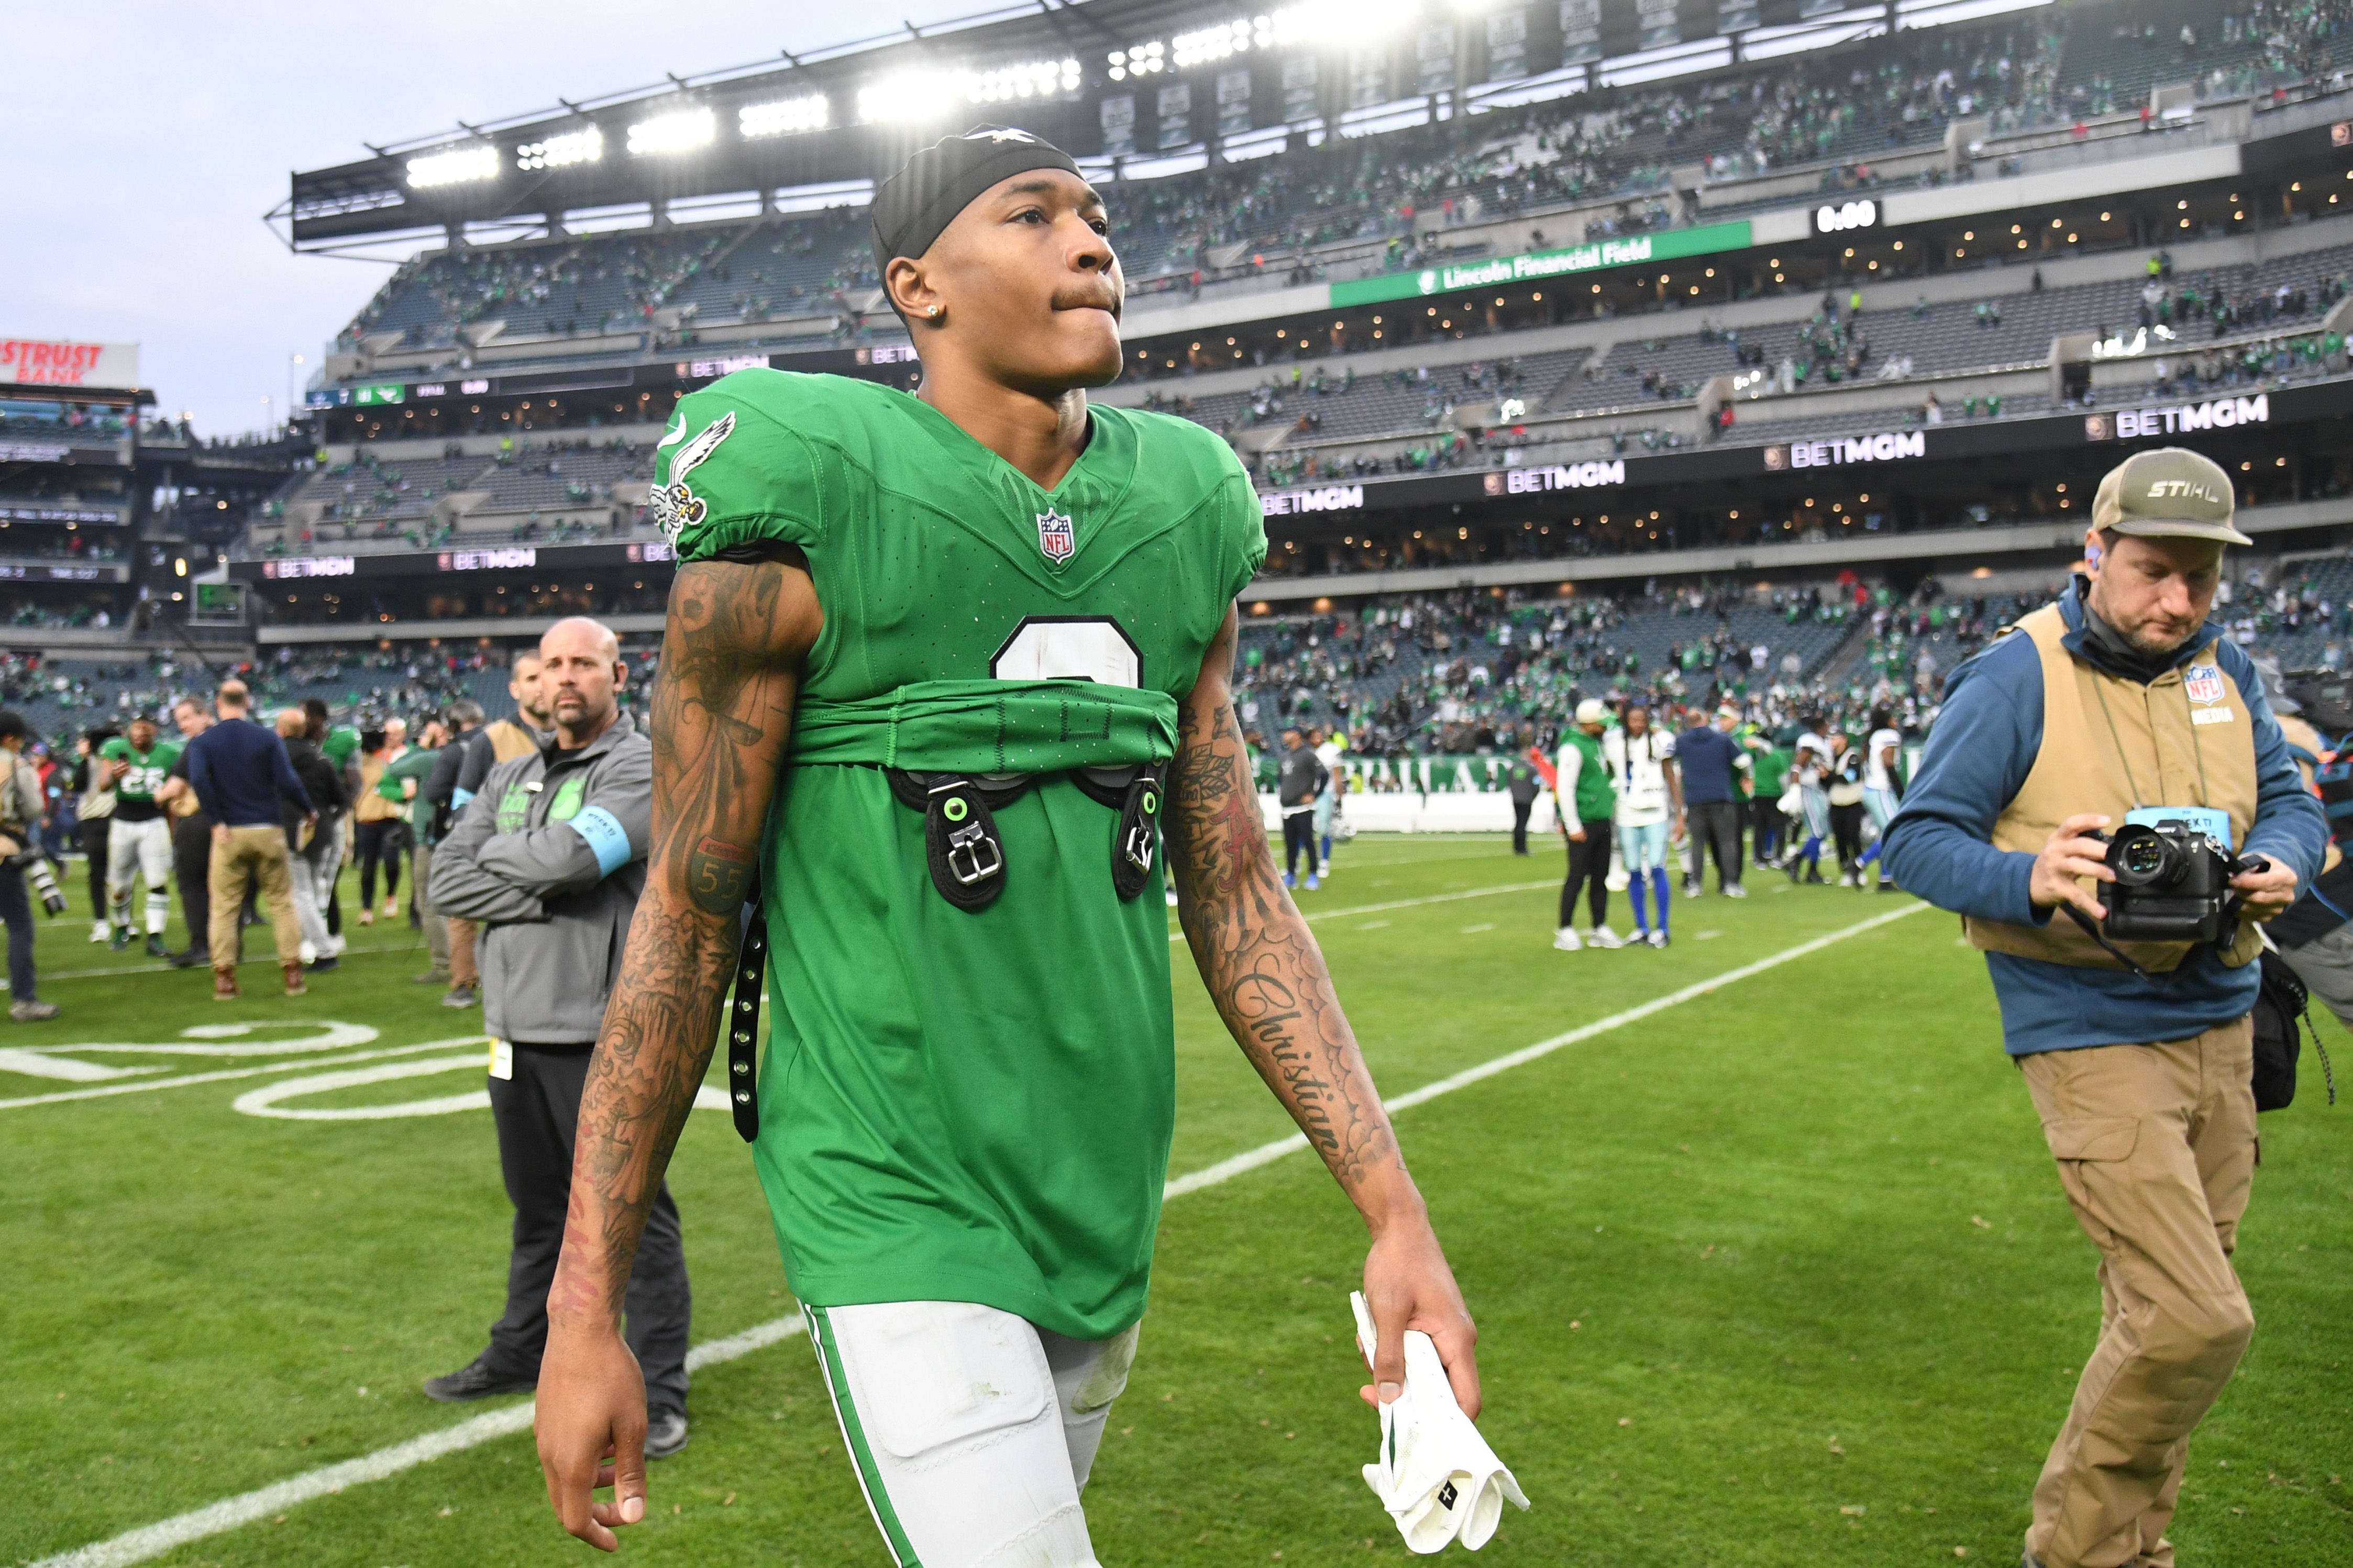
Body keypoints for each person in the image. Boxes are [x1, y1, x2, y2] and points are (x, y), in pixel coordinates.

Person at [532, 127, 1480, 1565]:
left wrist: (1392, 1208)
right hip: (889, 1183)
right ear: (917, 286)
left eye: (1094, 215)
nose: (1091, 243)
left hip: (1098, 1182)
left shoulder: (1182, 507)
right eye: (1031, 215)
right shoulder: (806, 499)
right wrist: (584, 1301)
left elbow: (1235, 896)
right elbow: (687, 906)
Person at [1882, 448, 2322, 1568]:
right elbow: (1915, 839)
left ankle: (2134, 1549)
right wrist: (2027, 877)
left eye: (2200, 579)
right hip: (2090, 1033)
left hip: (2222, 1028)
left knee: (2157, 1325)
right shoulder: (2012, 673)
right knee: (2193, 1321)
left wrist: (2276, 855)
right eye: (2153, 572)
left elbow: (2282, 798)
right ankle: (2071, 1552)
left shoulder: (2222, 664)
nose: (2177, 600)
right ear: (2094, 553)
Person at [420, 618, 689, 1451]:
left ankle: (661, 1391)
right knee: (538, 1210)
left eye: (583, 662)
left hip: (600, 1033)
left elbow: (578, 859)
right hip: (513, 1031)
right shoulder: (509, 772)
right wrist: (538, 885)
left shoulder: (641, 763)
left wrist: (526, 867)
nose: (565, 677)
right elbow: (445, 876)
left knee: (631, 1217)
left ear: (618, 672)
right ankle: (520, 1348)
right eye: (552, 664)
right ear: (534, 682)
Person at [185, 680, 316, 1002]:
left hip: (229, 831)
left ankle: (225, 979)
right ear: (247, 702)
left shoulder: (204, 742)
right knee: (282, 903)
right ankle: (292, 973)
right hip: (268, 829)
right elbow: (287, 779)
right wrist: (308, 808)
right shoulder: (267, 737)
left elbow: (200, 780)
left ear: (218, 703)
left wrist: (216, 820)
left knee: (225, 907)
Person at [421, 700, 489, 1003]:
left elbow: (433, 793)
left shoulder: (454, 751)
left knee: (462, 913)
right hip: (510, 831)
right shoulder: (502, 740)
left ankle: (464, 983)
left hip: (464, 834)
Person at [98, 716, 181, 956]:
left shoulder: (168, 754)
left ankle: (155, 936)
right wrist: (114, 776)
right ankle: (121, 927)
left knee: (158, 881)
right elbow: (102, 784)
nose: (139, 735)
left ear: (154, 731)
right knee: (119, 883)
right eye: (136, 730)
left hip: (154, 821)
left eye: (145, 731)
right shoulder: (115, 749)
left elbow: (171, 799)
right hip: (123, 821)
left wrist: (172, 829)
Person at [274, 708, 347, 971]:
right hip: (322, 831)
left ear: (280, 730)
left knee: (300, 894)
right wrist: (324, 819)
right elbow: (342, 800)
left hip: (291, 829)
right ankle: (316, 945)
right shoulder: (321, 759)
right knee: (314, 892)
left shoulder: (275, 758)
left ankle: (324, 950)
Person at [1605, 698, 1681, 947]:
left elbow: (1671, 778)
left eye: (1642, 720)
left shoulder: (1660, 741)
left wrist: (1680, 814)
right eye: (1633, 720)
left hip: (1656, 811)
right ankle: (1642, 927)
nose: (1638, 724)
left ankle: (1663, 927)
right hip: (1627, 812)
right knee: (1634, 871)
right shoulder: (1613, 742)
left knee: (1657, 867)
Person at [378, 716, 450, 974]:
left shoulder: (429, 758)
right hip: (455, 834)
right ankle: (465, 963)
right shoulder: (462, 754)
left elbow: (395, 769)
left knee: (428, 902)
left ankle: (443, 964)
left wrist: (422, 745)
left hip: (429, 837)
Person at [1554, 697, 1623, 950]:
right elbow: (1566, 787)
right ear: (1589, 723)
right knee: (1576, 876)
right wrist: (1573, 826)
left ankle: (1599, 927)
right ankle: (1565, 928)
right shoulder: (1573, 748)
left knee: (1600, 877)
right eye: (1601, 723)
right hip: (1584, 821)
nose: (1606, 727)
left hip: (1601, 819)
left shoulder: (1596, 744)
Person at [0, 713, 57, 1020]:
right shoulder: (16, 765)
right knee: (20, 925)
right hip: (5, 848)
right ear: (10, 738)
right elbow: (35, 809)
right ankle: (24, 1000)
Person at [156, 697, 218, 968]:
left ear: (205, 715)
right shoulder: (232, 741)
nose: (182, 725)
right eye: (179, 720)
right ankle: (228, 945)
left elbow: (174, 789)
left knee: (193, 883)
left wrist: (157, 795)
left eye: (187, 718)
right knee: (225, 887)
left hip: (198, 819)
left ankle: (201, 945)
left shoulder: (198, 745)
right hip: (233, 820)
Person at [1676, 702, 1748, 897]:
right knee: (1727, 841)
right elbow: (1743, 761)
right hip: (1720, 796)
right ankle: (1731, 883)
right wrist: (1747, 777)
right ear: (1706, 719)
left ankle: (1695, 884)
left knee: (1697, 843)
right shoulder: (1722, 739)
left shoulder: (1682, 741)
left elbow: (1672, 763)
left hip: (1694, 797)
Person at [352, 718, 407, 925]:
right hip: (368, 816)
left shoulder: (398, 757)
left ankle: (391, 896)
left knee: (392, 861)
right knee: (369, 866)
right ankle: (366, 909)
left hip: (392, 816)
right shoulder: (364, 759)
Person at [71, 726, 117, 942]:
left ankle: (120, 921)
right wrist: (84, 758)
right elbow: (78, 786)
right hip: (92, 819)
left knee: (119, 873)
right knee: (98, 874)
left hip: (113, 816)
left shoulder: (116, 762)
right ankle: (101, 922)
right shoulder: (89, 763)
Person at [1855, 709, 1904, 892]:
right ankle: (1859, 863)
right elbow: (1888, 762)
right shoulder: (1888, 735)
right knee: (1894, 832)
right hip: (1881, 790)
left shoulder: (1873, 737)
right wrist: (1900, 790)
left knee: (1887, 834)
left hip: (1872, 789)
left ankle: (1885, 879)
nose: (1895, 720)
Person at [1277, 725, 1325, 889]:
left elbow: (1324, 775)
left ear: (1297, 735)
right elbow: (1282, 779)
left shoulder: (1308, 756)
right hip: (1287, 808)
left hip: (1303, 808)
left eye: (1287, 732)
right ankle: (1291, 874)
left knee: (1308, 841)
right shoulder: (1285, 756)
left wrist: (1314, 794)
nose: (1284, 735)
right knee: (1290, 844)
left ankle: (1313, 874)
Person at [1312, 724, 1345, 875]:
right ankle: (1298, 861)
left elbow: (1337, 776)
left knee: (1325, 829)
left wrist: (1339, 797)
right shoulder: (1305, 752)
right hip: (1307, 794)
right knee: (1302, 829)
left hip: (1325, 793)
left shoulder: (1331, 750)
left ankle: (1324, 861)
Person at [1505, 727, 1541, 855]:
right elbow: (1537, 785)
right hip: (1527, 799)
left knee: (1517, 822)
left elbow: (1509, 781)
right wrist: (1533, 796)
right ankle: (1522, 848)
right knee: (1523, 824)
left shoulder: (1514, 767)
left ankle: (1516, 847)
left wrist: (1514, 793)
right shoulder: (1532, 769)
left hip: (1516, 798)